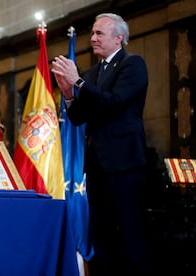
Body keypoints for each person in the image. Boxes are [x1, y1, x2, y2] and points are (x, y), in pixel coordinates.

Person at [51, 13, 149, 276]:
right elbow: (78, 116)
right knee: (102, 235)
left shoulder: (133, 64)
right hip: (97, 166)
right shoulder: (94, 72)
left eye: (99, 33)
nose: (92, 38)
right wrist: (69, 93)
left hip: (125, 165)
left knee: (129, 236)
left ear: (119, 38)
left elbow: (115, 103)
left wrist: (79, 82)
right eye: (92, 33)